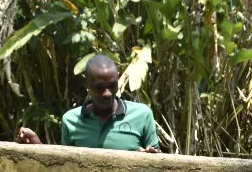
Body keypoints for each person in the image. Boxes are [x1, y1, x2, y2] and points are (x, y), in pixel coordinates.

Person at [16, 54, 161, 152]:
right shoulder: (71, 121)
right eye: (99, 87)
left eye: (112, 86)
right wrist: (37, 146)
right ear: (86, 82)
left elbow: (158, 162)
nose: (107, 93)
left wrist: (151, 156)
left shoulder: (142, 115)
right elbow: (64, 169)